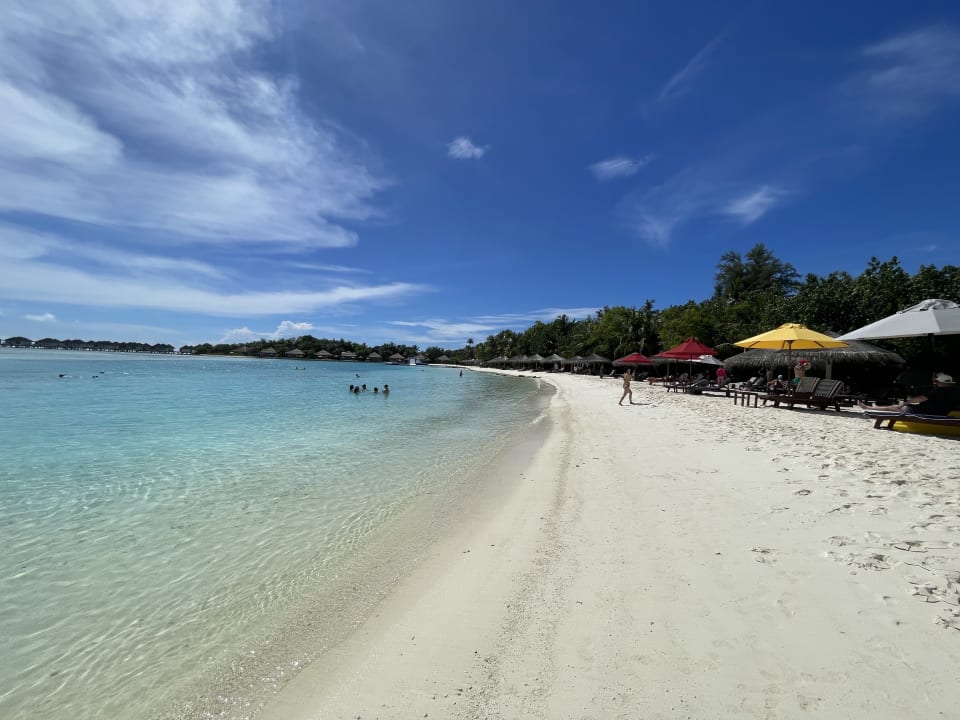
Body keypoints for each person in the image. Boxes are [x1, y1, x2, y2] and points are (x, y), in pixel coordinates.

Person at [860, 372, 957, 415]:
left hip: (926, 412)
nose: (935, 383)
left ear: (940, 382)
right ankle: (875, 407)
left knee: (897, 407)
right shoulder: (954, 391)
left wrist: (906, 402)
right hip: (942, 413)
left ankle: (869, 408)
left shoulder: (939, 391)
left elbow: (921, 398)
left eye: (936, 381)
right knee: (899, 406)